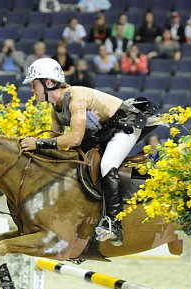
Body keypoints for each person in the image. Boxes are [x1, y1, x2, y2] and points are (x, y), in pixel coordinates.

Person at [19, 58, 160, 246]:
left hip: (124, 125)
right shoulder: (56, 109)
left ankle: (114, 224)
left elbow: (74, 139)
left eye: (33, 85)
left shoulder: (76, 98)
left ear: (48, 83)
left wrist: (39, 143)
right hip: (102, 133)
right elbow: (57, 142)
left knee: (107, 164)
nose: (31, 90)